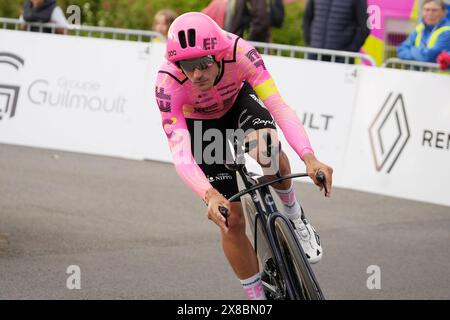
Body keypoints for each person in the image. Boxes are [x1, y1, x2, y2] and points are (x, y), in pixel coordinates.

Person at [154, 12, 333, 300]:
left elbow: (278, 106)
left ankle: (295, 217)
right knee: (230, 220)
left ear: (219, 56)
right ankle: (256, 297)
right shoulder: (168, 82)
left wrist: (309, 158)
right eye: (188, 66)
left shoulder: (240, 52)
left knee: (267, 151)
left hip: (238, 102)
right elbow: (179, 148)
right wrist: (209, 195)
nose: (197, 74)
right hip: (200, 124)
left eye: (204, 64)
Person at [302, 0, 370, 63]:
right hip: (315, 53)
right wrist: (311, 42)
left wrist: (350, 50)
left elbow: (365, 27)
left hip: (341, 57)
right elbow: (307, 18)